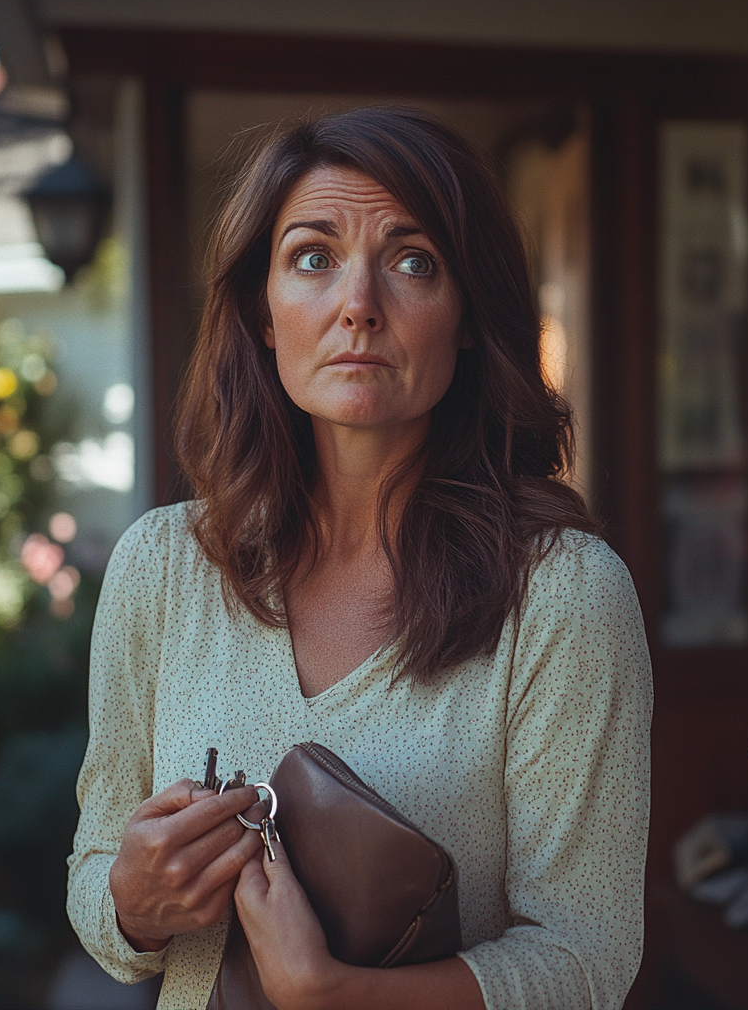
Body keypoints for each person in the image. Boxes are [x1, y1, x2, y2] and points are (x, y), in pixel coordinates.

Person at [67, 107, 652, 1010]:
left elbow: (586, 957)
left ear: (467, 317)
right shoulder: (161, 570)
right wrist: (133, 904)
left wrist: (336, 995)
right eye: (313, 256)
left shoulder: (563, 596)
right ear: (264, 313)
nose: (359, 304)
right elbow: (97, 880)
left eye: (414, 261)